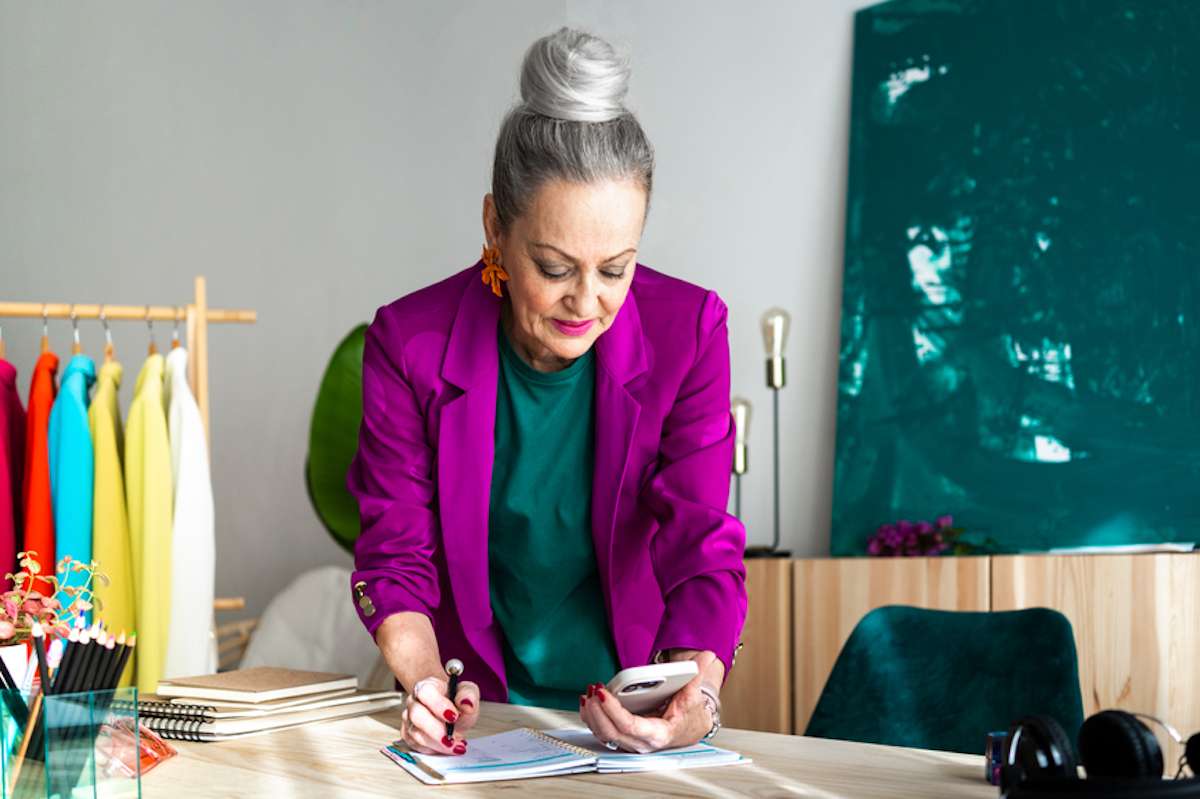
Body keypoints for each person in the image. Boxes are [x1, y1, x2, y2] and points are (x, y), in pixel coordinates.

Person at [348, 26, 746, 757]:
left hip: (629, 715)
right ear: (497, 225)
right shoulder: (410, 345)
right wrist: (426, 684)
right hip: (485, 709)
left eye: (616, 268)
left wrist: (701, 695)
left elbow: (702, 544)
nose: (586, 302)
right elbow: (394, 556)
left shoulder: (689, 331)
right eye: (556, 267)